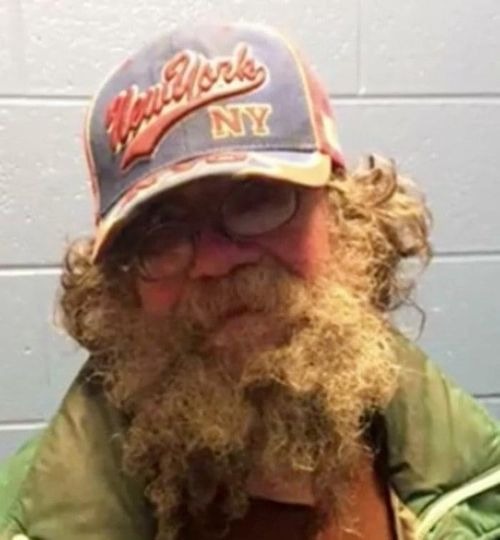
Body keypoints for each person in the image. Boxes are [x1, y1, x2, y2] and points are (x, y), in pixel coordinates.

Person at [1, 22, 499, 540]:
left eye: (258, 200)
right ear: (121, 290)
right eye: (160, 234)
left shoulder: (479, 489)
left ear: (344, 221)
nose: (215, 262)